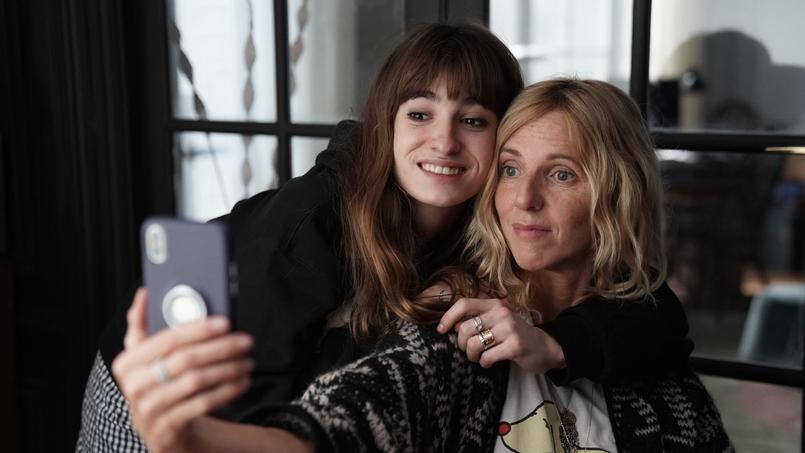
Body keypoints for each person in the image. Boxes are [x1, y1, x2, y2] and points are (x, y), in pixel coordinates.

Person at [80, 22, 690, 451]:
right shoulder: (314, 223)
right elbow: (253, 399)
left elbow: (652, 312)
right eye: (419, 114)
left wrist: (557, 343)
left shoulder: (495, 221)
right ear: (386, 126)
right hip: (161, 402)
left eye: (472, 120)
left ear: (505, 135)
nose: (444, 142)